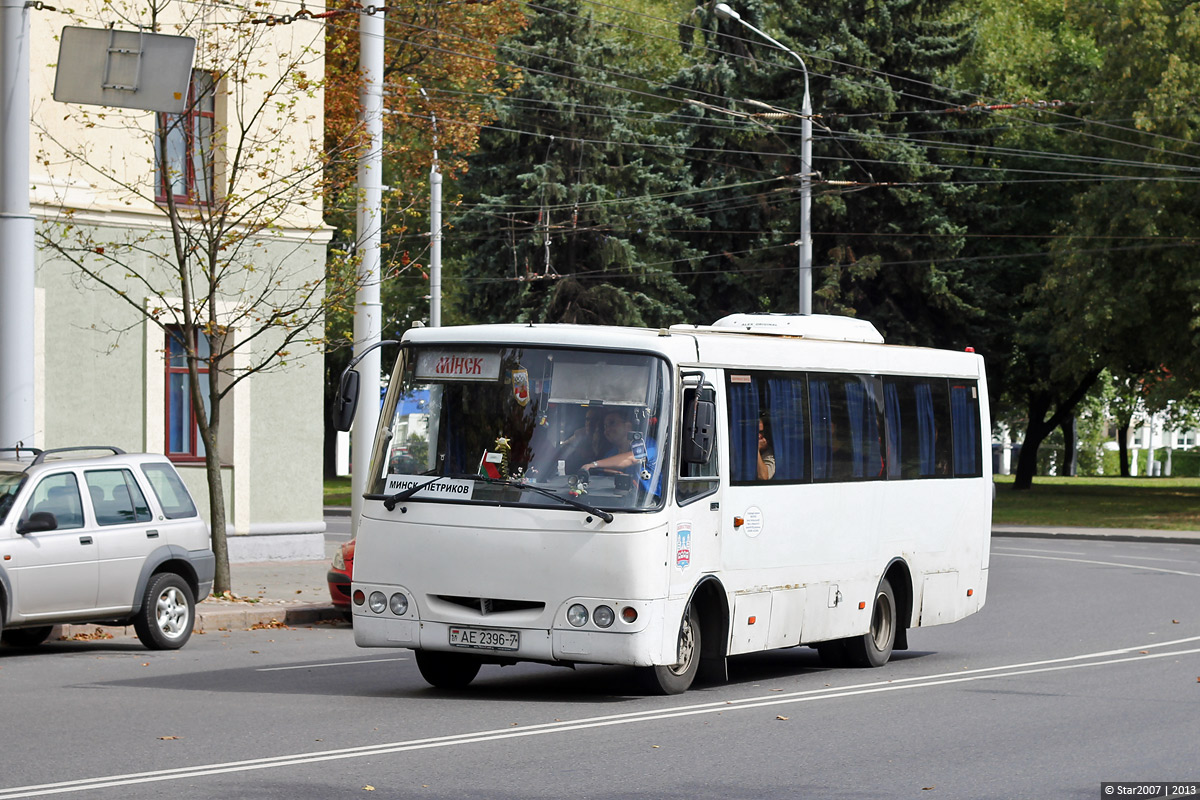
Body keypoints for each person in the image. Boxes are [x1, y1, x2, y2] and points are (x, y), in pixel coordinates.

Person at [582, 409, 660, 494]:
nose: (607, 430)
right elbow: (601, 480)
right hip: (618, 501)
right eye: (605, 426)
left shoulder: (646, 444)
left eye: (612, 423)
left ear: (628, 426)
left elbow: (632, 458)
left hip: (649, 501)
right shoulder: (610, 454)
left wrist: (594, 464)